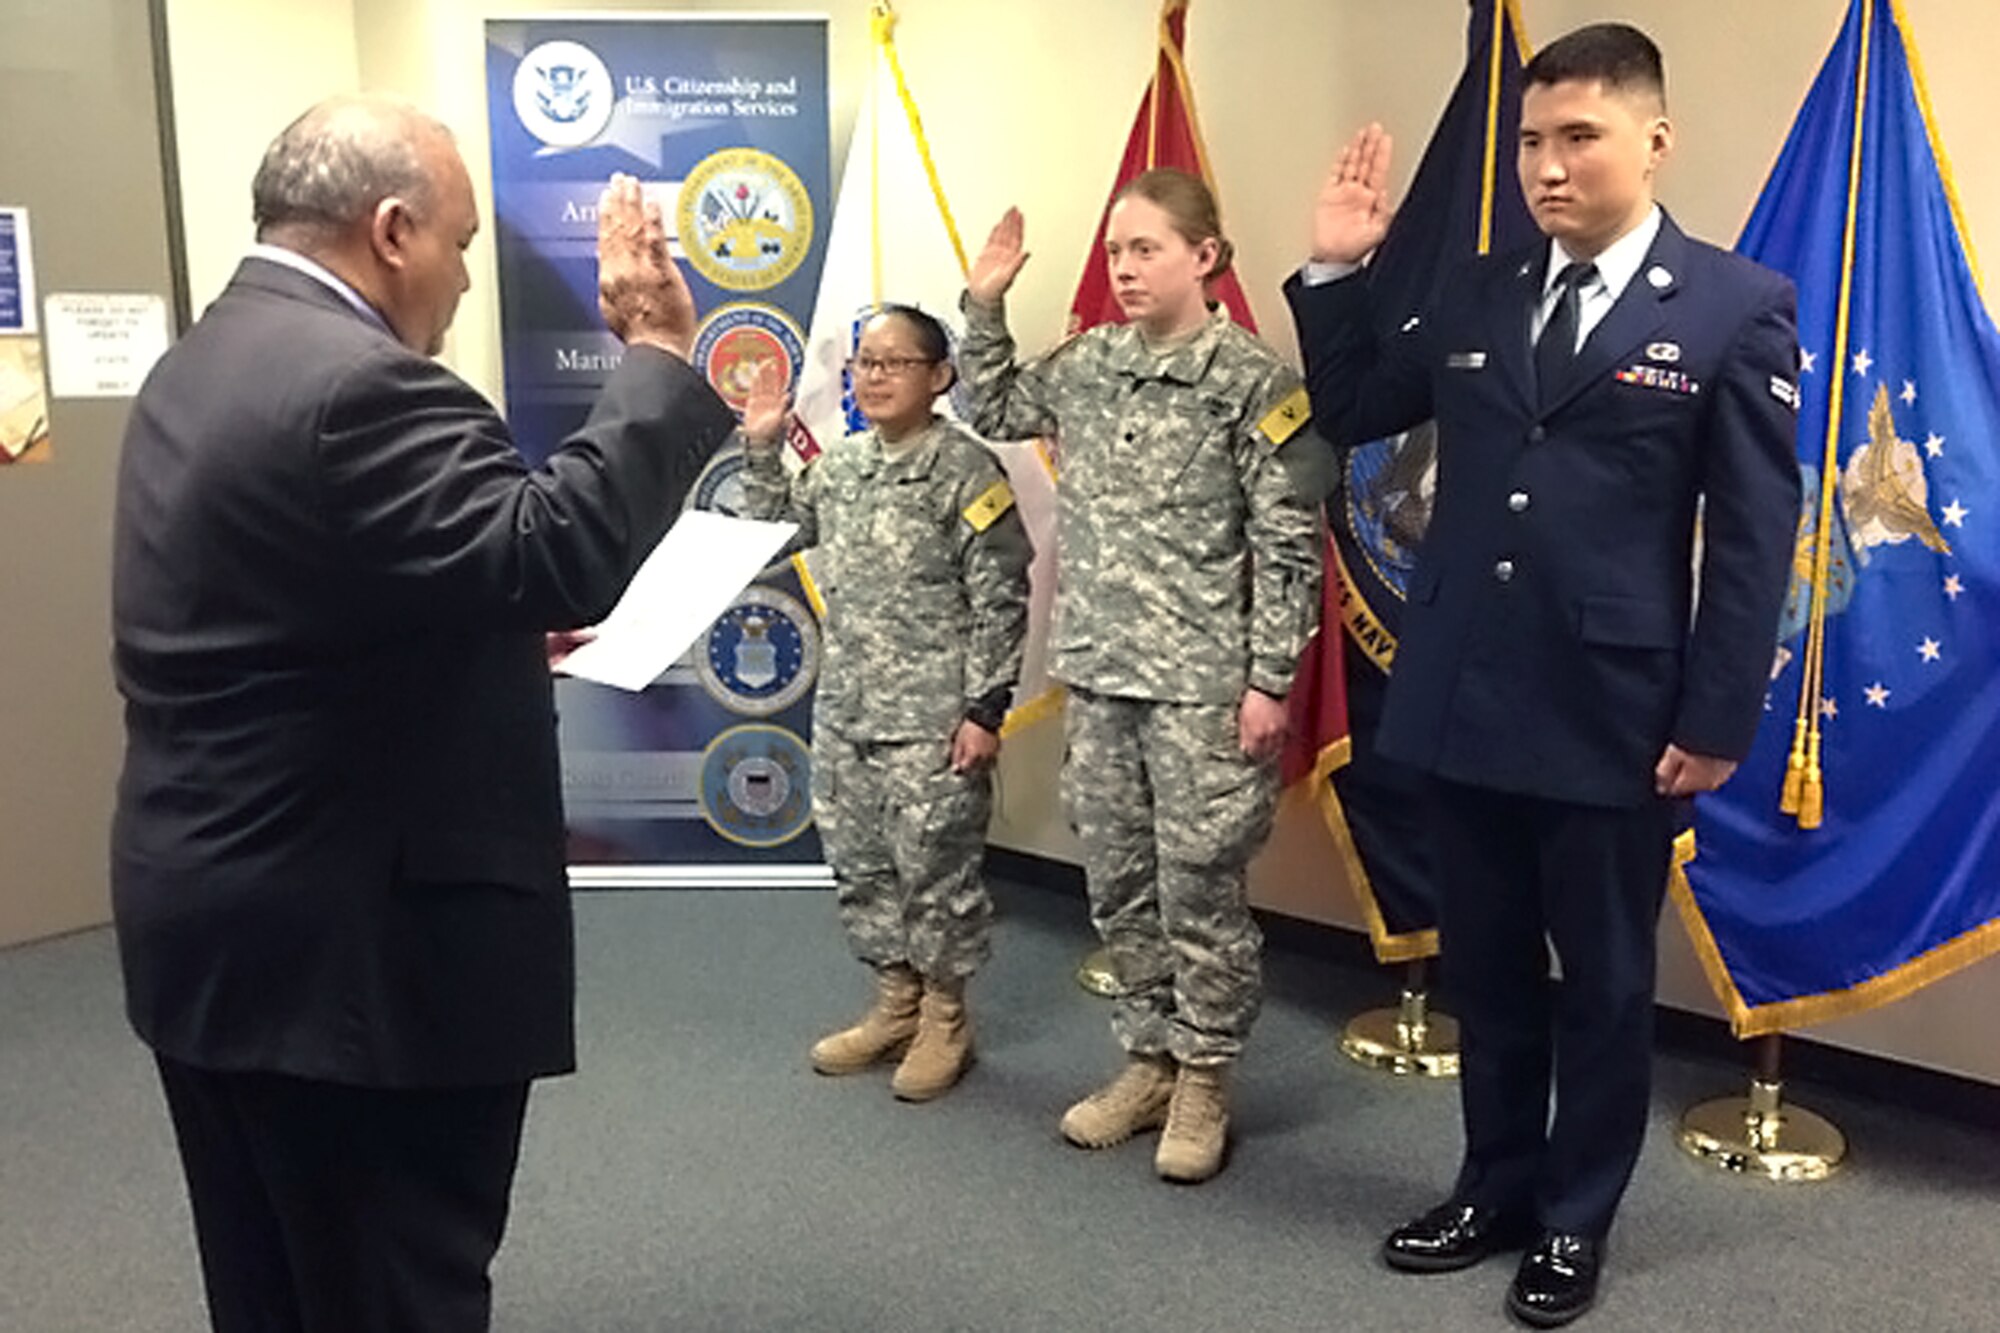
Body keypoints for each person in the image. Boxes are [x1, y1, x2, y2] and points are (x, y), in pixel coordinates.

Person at [110, 95, 735, 1333]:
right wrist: (659, 352)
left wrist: (484, 624)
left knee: (274, 1282)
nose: (462, 280)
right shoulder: (364, 386)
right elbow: (557, 550)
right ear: (392, 230)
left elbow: (291, 591)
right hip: (352, 961)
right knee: (388, 1290)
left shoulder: (207, 357)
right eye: (459, 244)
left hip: (219, 921)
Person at [1286, 24, 1801, 1327]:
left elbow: (1754, 534)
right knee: (1489, 967)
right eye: (1530, 140)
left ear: (1653, 141)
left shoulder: (1733, 306)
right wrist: (1336, 270)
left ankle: (1575, 1220)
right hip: (1463, 687)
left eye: (1579, 137)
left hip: (1612, 712)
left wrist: (1718, 716)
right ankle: (1492, 1186)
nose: (1546, 166)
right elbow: (1354, 409)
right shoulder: (1477, 289)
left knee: (1607, 983)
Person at [961, 168, 1323, 1183]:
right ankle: (1148, 1059)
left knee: (1199, 887)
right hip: (1101, 671)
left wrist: (1269, 681)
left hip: (1203, 686)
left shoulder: (1253, 383)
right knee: (1119, 881)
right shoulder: (1088, 364)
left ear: (1204, 256)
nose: (1123, 268)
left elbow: (1289, 546)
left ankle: (1204, 1075)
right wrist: (984, 303)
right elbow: (996, 402)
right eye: (1115, 251)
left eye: (1145, 249)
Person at [737, 305, 1031, 1101]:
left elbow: (1002, 595)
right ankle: (896, 1002)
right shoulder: (842, 465)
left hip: (933, 718)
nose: (874, 376)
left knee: (935, 872)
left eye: (894, 362)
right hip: (849, 708)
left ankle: (945, 1016)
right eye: (865, 362)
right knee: (862, 865)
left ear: (939, 377)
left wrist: (985, 708)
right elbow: (773, 533)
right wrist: (762, 447)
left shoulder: (966, 471)